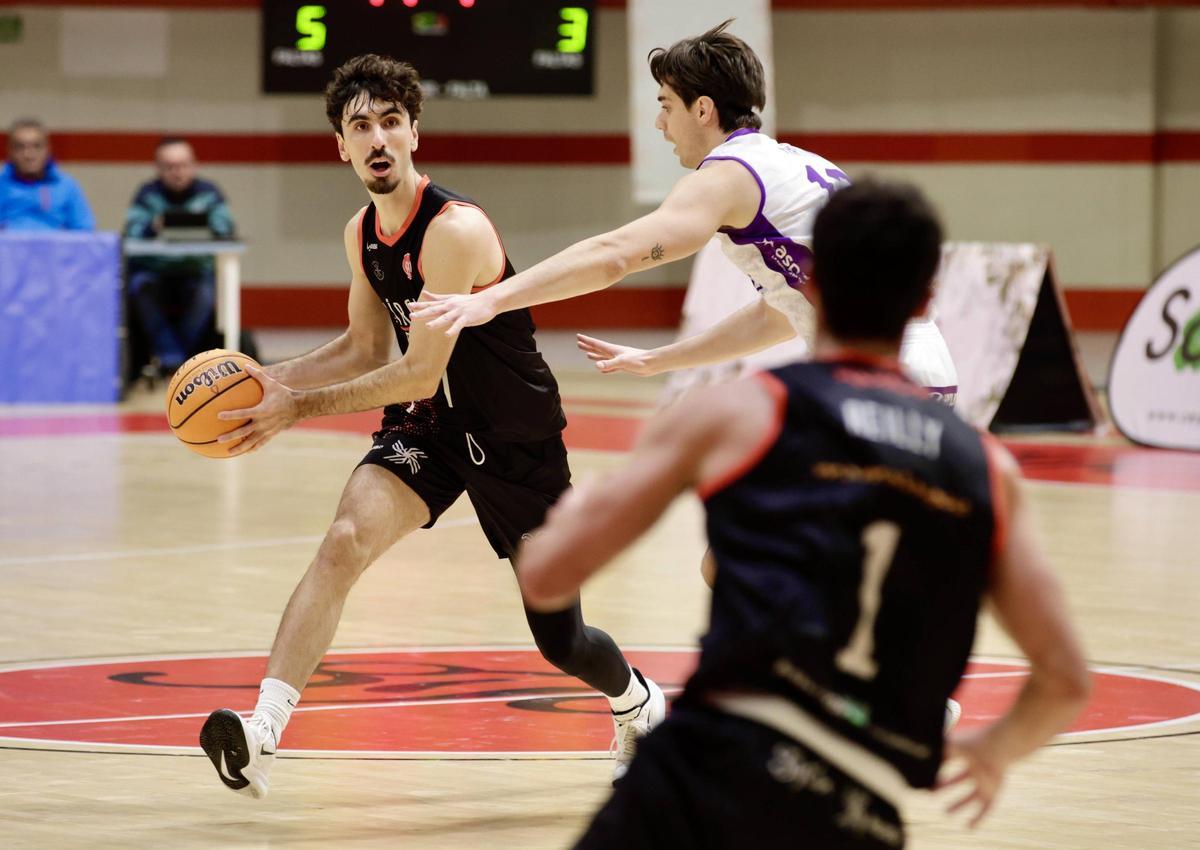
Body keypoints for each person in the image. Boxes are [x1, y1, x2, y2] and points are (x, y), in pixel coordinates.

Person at [517, 179, 1091, 849]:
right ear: (928, 300)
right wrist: (994, 751)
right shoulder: (987, 468)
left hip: (709, 770)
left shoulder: (742, 412)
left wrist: (580, 505)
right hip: (855, 810)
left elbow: (548, 575)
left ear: (809, 285)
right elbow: (1064, 679)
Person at [197, 54, 663, 800]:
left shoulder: (454, 230)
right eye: (360, 126)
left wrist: (296, 409)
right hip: (429, 428)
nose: (377, 138)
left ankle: (637, 702)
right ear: (341, 146)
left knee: (563, 641)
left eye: (391, 122)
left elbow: (415, 369)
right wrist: (266, 380)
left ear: (415, 132)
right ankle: (261, 733)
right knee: (344, 541)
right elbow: (363, 348)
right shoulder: (362, 233)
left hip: (512, 438)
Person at [409, 20, 958, 406]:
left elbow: (614, 255)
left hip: (882, 382)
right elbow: (783, 312)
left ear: (703, 109)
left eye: (665, 106)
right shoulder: (791, 162)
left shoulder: (726, 177)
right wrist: (659, 360)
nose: (660, 124)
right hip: (915, 372)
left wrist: (491, 299)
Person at [123, 137, 236, 374]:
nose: (178, 172)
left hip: (196, 271)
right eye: (170, 166)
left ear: (194, 165)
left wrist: (206, 226)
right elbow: (131, 232)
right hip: (153, 272)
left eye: (183, 165)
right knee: (140, 286)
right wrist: (152, 226)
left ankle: (174, 362)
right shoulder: (146, 194)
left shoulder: (210, 193)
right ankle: (176, 362)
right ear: (158, 168)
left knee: (205, 292)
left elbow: (226, 229)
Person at [0, 118, 94, 231]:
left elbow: (85, 231)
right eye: (20, 147)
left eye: (37, 146)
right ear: (10, 151)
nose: (29, 155)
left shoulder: (67, 187)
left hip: (57, 243)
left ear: (47, 150)